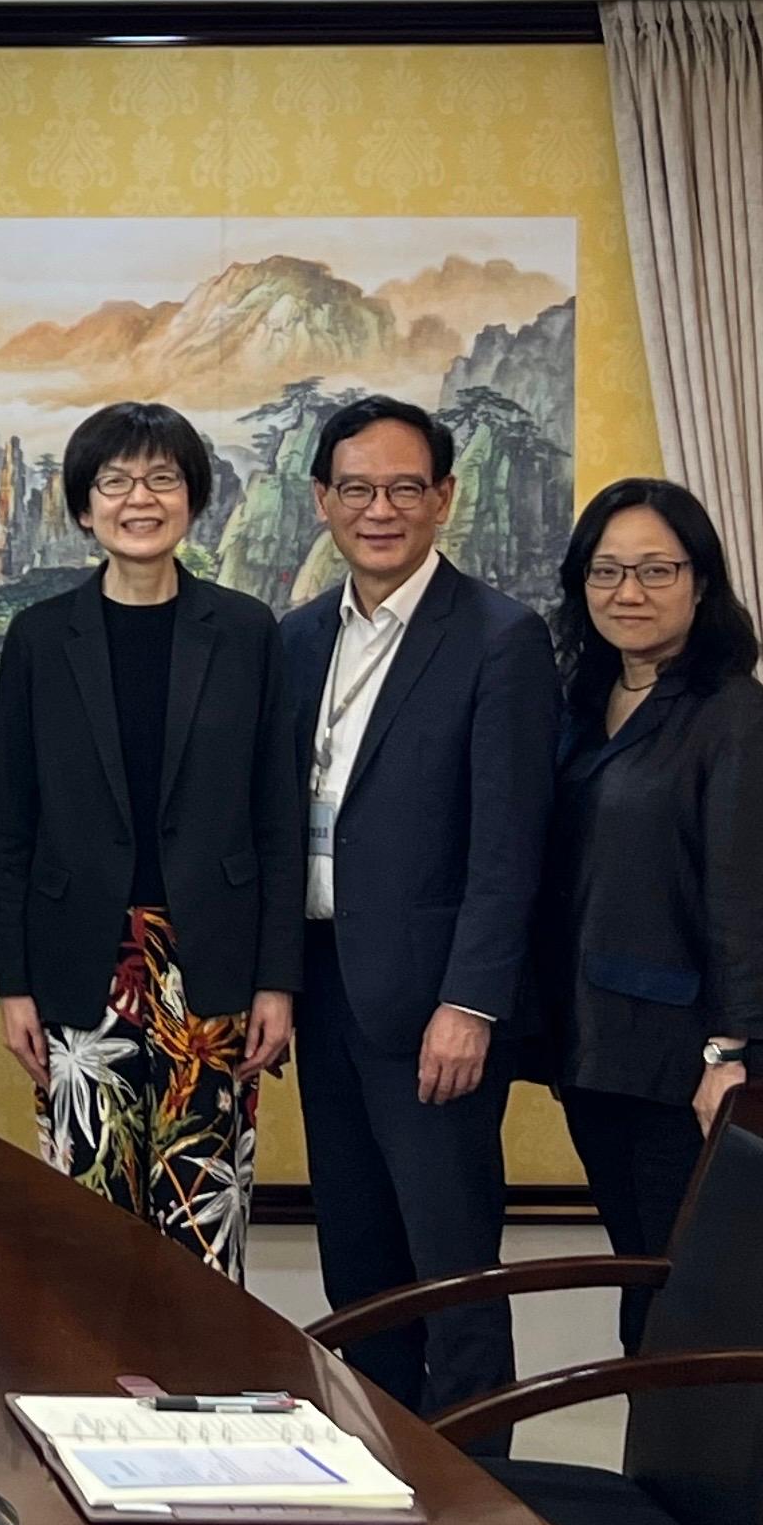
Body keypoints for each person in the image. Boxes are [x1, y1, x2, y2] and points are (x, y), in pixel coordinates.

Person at [280, 394, 556, 1415]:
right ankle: (378, 1478)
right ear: (322, 500)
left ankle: (479, 1515)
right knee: (358, 1271)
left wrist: (472, 1004)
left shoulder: (496, 638)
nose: (378, 509)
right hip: (325, 988)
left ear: (444, 497)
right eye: (355, 488)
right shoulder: (300, 637)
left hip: (436, 1008)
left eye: (403, 487)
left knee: (453, 1275)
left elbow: (507, 844)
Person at [0, 401, 303, 1276]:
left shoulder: (244, 632)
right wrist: (13, 984)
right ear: (84, 508)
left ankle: (196, 1398)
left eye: (162, 479)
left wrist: (276, 978)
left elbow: (277, 814)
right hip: (83, 961)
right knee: (86, 1220)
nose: (139, 498)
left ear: (191, 499)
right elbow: (8, 820)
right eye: (114, 481)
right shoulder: (43, 638)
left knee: (203, 1216)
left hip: (210, 962)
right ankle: (88, 1399)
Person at [528, 478, 763, 1348]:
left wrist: (731, 1053)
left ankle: (708, 1484)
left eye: (654, 570)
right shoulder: (577, 701)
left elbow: (754, 905)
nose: (628, 593)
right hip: (596, 1047)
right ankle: (655, 1477)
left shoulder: (736, 718)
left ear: (700, 580)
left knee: (692, 1294)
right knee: (640, 1272)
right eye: (605, 572)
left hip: (689, 1062)